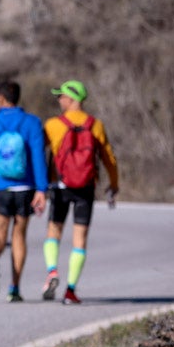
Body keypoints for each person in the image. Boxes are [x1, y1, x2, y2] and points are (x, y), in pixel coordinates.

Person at [41, 79, 119, 305]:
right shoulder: (96, 125)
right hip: (85, 187)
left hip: (60, 186)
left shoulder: (53, 125)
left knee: (53, 231)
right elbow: (109, 158)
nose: (59, 99)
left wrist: (39, 185)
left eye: (62, 96)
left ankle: (52, 271)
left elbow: (38, 152)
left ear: (73, 98)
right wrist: (114, 184)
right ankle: (70, 291)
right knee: (80, 240)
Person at [0, 80, 48, 302]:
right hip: (25, 188)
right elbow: (38, 157)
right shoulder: (32, 123)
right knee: (19, 235)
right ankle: (14, 288)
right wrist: (42, 189)